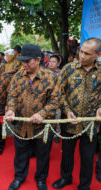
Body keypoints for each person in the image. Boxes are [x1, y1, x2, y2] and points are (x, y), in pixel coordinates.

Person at [5, 44, 60, 190]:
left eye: (27, 61)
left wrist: (42, 113)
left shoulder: (50, 77)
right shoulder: (18, 76)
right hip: (21, 126)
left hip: (43, 127)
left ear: (37, 60)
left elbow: (55, 100)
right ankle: (19, 177)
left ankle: (41, 179)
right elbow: (12, 95)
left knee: (43, 155)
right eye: (22, 61)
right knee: (21, 154)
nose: (24, 64)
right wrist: (11, 109)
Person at [52, 37, 101, 190]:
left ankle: (84, 185)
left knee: (87, 158)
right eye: (81, 52)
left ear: (97, 55)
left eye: (87, 54)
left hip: (91, 125)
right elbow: (58, 93)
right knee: (67, 154)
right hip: (70, 123)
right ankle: (65, 177)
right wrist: (67, 111)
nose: (82, 56)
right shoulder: (69, 69)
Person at [48, 55, 61, 143]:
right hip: (47, 100)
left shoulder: (61, 73)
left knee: (57, 116)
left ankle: (57, 134)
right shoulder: (45, 72)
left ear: (58, 63)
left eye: (54, 62)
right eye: (50, 61)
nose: (51, 64)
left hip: (57, 100)